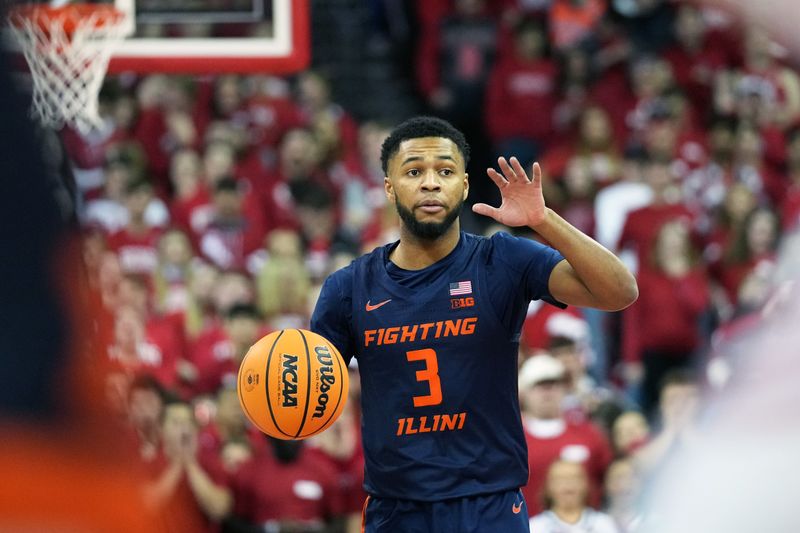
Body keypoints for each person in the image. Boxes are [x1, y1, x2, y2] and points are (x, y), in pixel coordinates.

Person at [310, 116, 637, 532]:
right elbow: (313, 394)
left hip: (490, 507)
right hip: (397, 510)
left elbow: (620, 291)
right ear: (389, 188)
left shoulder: (502, 260)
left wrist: (543, 221)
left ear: (464, 186)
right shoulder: (348, 288)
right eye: (414, 172)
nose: (431, 183)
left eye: (445, 171)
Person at [518, 355, 614, 517]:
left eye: (553, 384)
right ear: (523, 392)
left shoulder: (590, 434)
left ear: (564, 388)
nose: (547, 392)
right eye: (539, 386)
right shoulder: (512, 440)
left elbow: (611, 480)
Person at [528, 460, 620, 533]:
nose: (568, 485)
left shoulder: (604, 524)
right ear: (548, 487)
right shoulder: (535, 527)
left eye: (575, 478)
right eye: (561, 479)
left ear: (586, 484)